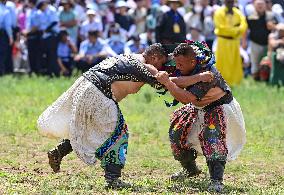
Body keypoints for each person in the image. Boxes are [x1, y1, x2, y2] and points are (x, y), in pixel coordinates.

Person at [38, 43, 213, 189]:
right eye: (162, 62)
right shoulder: (146, 65)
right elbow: (167, 81)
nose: (163, 67)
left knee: (88, 129)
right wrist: (200, 77)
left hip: (85, 87)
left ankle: (59, 151)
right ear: (154, 58)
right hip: (99, 93)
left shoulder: (128, 56)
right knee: (119, 134)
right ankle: (113, 179)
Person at [155, 42, 246, 193]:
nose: (177, 67)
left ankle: (216, 180)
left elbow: (185, 97)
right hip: (198, 107)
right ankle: (191, 170)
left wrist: (168, 82)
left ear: (192, 61)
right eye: (176, 63)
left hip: (219, 107)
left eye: (181, 64)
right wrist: (188, 78)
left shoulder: (208, 72)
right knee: (177, 132)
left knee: (212, 137)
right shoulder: (180, 63)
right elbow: (172, 79)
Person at [214, 0, 247, 86]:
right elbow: (221, 28)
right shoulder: (219, 13)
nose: (230, 3)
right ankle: (220, 82)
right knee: (222, 61)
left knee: (235, 61)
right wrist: (236, 30)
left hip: (235, 42)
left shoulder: (238, 13)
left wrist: (235, 30)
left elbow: (244, 25)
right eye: (228, 1)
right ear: (224, 2)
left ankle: (235, 82)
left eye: (231, 1)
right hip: (223, 41)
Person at [246, 0, 276, 80]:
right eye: (258, 4)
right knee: (255, 63)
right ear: (254, 5)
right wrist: (244, 41)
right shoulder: (250, 17)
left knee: (267, 63)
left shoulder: (270, 15)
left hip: (268, 44)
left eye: (262, 4)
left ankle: (267, 79)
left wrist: (272, 26)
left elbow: (277, 27)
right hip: (255, 43)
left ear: (265, 5)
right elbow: (246, 30)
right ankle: (255, 79)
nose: (260, 6)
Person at [0, 0, 13, 76]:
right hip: (2, 34)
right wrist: (10, 37)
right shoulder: (5, 11)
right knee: (2, 54)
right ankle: (1, 72)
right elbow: (8, 26)